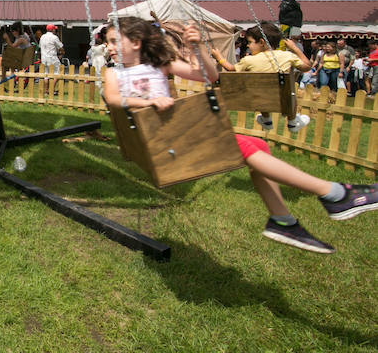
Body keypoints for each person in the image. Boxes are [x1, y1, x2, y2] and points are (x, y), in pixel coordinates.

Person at [102, 16, 378, 254]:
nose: (109, 47)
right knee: (244, 146)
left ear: (136, 42)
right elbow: (114, 100)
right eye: (108, 42)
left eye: (114, 41)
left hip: (180, 136)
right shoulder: (114, 74)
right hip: (163, 145)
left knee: (257, 145)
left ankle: (283, 220)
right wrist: (147, 102)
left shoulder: (161, 65)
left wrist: (198, 47)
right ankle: (332, 193)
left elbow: (209, 77)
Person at [212, 22, 311, 133]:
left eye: (250, 42)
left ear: (262, 42)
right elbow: (307, 66)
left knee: (260, 89)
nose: (248, 46)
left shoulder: (248, 60)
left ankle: (266, 120)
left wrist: (219, 57)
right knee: (288, 92)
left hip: (259, 100)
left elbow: (230, 68)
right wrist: (294, 48)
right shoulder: (287, 56)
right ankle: (292, 122)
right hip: (284, 101)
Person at [38, 23, 64, 95]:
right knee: (58, 73)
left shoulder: (42, 37)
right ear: (52, 30)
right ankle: (51, 90)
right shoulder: (54, 37)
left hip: (44, 58)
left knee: (46, 74)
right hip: (52, 57)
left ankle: (46, 91)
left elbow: (40, 47)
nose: (55, 30)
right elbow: (60, 47)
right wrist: (62, 52)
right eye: (54, 29)